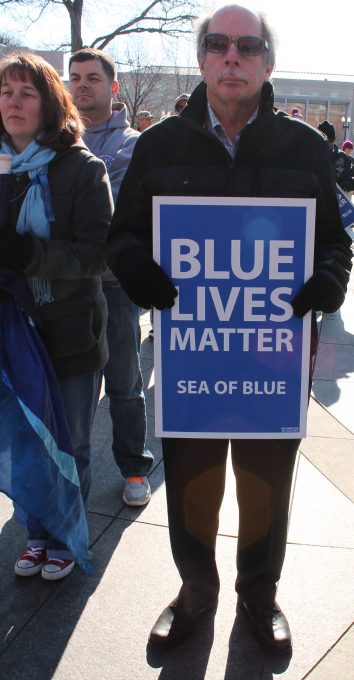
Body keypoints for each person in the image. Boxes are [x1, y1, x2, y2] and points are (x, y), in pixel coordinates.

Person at [107, 3, 352, 655]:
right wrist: (134, 266)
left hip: (275, 358)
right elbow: (123, 233)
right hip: (194, 357)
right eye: (218, 44)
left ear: (268, 61)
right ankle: (195, 593)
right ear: (203, 59)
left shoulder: (307, 149)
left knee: (265, 485)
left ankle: (258, 595)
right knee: (193, 480)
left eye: (248, 45)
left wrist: (329, 281)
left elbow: (334, 242)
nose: (232, 56)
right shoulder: (159, 145)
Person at [0, 51, 113, 579]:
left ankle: (68, 535)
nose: (14, 102)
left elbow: (97, 254)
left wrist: (29, 256)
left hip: (69, 332)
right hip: (11, 331)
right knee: (26, 440)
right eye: (6, 93)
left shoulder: (83, 168)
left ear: (49, 103)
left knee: (70, 442)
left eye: (26, 92)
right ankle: (38, 533)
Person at [69, 48, 153, 507]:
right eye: (75, 77)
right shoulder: (51, 142)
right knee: (71, 390)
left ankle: (134, 466)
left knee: (124, 382)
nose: (83, 85)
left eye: (93, 78)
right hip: (63, 288)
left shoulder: (132, 145)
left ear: (112, 87)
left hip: (114, 285)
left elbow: (111, 217)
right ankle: (68, 478)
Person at [318, 120, 354, 194]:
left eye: (330, 141)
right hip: (316, 199)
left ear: (333, 141)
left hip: (336, 199)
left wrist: (345, 185)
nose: (327, 144)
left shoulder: (342, 157)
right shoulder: (312, 155)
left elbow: (349, 179)